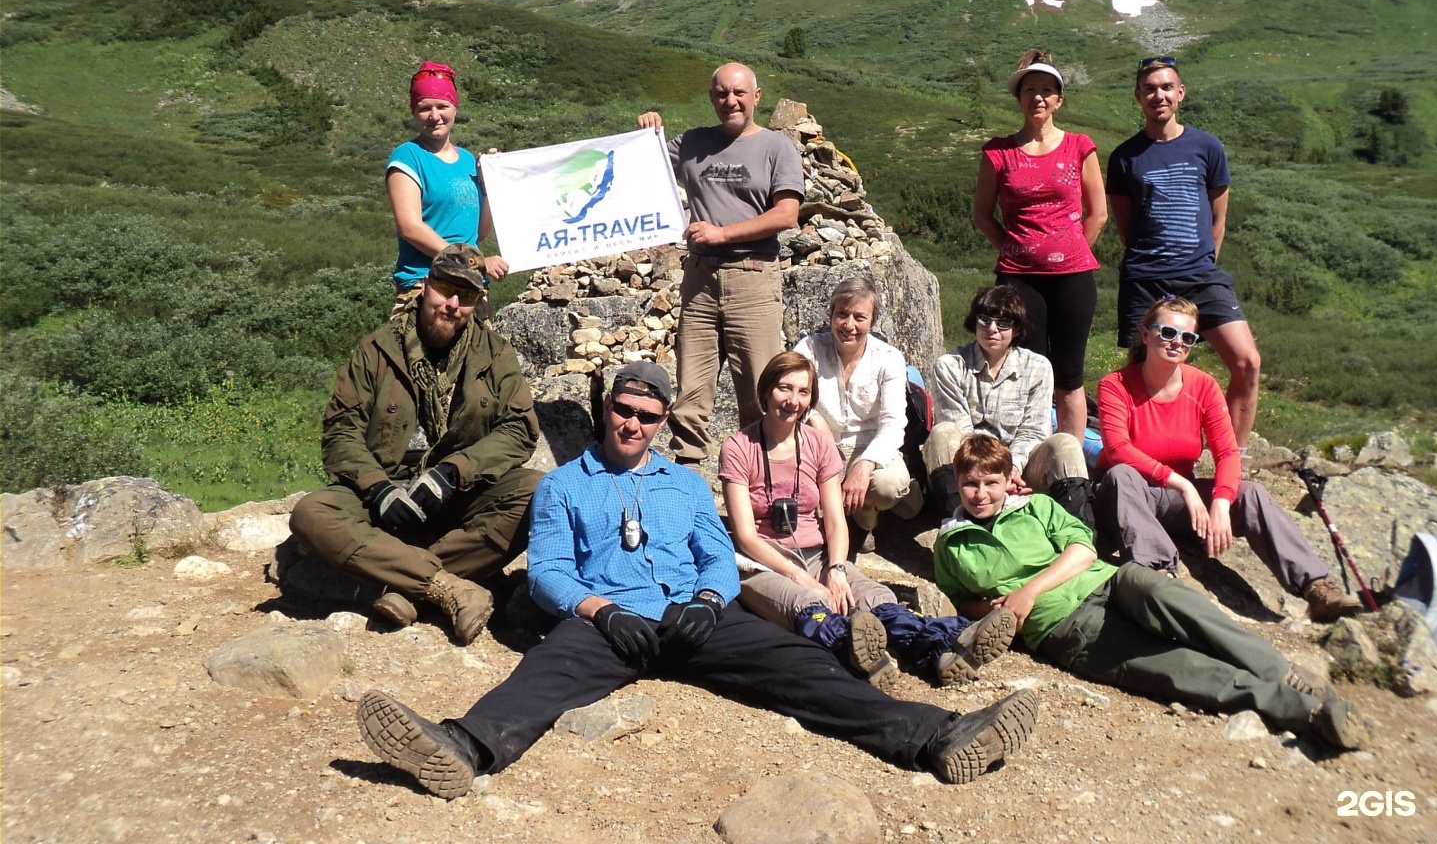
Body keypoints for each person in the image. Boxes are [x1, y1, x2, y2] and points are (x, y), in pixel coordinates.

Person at [356, 362, 1040, 799]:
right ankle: (462, 747)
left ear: (660, 424)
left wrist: (712, 600)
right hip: (607, 625)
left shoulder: (683, 484)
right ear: (607, 410)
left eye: (647, 416)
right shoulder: (564, 485)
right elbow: (549, 572)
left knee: (806, 667)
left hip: (694, 618)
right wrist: (598, 610)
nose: (632, 423)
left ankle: (940, 736)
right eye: (623, 410)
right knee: (543, 673)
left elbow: (718, 555)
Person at [934, 434, 1367, 751]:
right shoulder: (950, 543)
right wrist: (993, 609)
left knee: (1178, 602)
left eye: (991, 482)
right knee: (1178, 669)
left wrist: (1026, 592)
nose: (980, 494)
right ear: (957, 482)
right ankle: (1305, 712)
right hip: (1065, 628)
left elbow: (1083, 549)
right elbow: (959, 600)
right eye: (970, 484)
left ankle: (1281, 670)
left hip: (1108, 580)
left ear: (1009, 479)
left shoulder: (1038, 506)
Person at [289, 244, 542, 644]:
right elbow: (341, 430)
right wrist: (377, 487)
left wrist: (454, 472)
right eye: (445, 289)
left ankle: (403, 585)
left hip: (455, 498)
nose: (453, 304)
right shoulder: (376, 350)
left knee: (537, 491)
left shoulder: (494, 354)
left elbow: (519, 429)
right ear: (425, 286)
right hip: (383, 501)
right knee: (311, 513)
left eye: (467, 296)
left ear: (476, 302)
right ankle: (449, 586)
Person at [720, 351, 1016, 687]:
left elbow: (834, 519)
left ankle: (939, 648)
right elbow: (745, 535)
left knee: (875, 597)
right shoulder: (739, 447)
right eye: (784, 389)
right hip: (761, 563)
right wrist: (799, 577)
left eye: (803, 392)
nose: (793, 401)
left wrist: (838, 569)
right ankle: (856, 653)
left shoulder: (818, 443)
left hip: (816, 553)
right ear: (766, 391)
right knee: (811, 602)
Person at [1092, 297, 1360, 623]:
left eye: (1187, 337)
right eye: (1167, 332)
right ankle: (1161, 578)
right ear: (1146, 334)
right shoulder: (1115, 385)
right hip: (1125, 497)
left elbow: (1228, 452)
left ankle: (1316, 589)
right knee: (1121, 473)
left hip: (1174, 501)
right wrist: (1184, 487)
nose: (1177, 342)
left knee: (1251, 494)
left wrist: (1221, 501)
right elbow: (1119, 448)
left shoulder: (1202, 385)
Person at [636, 62, 804, 464]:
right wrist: (645, 134)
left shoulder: (778, 148)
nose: (731, 101)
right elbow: (639, 168)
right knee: (691, 392)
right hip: (700, 280)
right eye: (722, 94)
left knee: (762, 392)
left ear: (756, 97)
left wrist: (721, 233)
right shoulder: (692, 142)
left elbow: (786, 214)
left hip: (754, 279)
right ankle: (689, 481)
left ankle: (764, 483)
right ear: (712, 98)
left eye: (739, 93)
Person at [1106, 56, 1261, 445]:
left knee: (1246, 362)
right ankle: (1147, 454)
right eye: (1149, 89)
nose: (1158, 95)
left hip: (1201, 275)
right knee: (1143, 370)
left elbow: (1218, 217)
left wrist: (1205, 259)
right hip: (1145, 276)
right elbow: (1125, 225)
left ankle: (1232, 457)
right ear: (1138, 97)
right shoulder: (1124, 157)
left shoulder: (1207, 147)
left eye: (1165, 87)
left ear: (1180, 93)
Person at [973, 50, 1106, 439]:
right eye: (1030, 90)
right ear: (1019, 98)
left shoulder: (1080, 146)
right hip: (1019, 281)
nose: (1038, 98)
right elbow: (983, 215)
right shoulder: (998, 152)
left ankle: (1070, 465)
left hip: (1073, 279)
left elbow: (1097, 213)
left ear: (1059, 100)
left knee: (1070, 374)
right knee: (1027, 370)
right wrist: (1013, 250)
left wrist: (1074, 252)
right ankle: (1030, 457)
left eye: (1047, 90)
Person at [923, 286, 1091, 523]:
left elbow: (1034, 431)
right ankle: (960, 525)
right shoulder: (949, 365)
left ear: (1017, 328)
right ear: (974, 321)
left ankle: (1078, 534)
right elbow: (960, 434)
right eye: (985, 319)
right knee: (943, 433)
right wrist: (994, 478)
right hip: (969, 473)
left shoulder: (1038, 367)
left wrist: (1011, 470)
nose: (992, 329)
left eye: (1003, 323)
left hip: (1019, 468)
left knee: (1066, 444)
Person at [794, 276, 924, 552]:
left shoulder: (888, 358)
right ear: (831, 314)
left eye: (859, 317)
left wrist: (864, 466)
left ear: (872, 321)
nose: (849, 325)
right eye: (842, 314)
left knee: (888, 486)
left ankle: (864, 522)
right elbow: (789, 395)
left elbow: (893, 423)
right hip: (818, 443)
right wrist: (813, 419)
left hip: (869, 443)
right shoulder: (809, 349)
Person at [386, 61, 508, 314]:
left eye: (442, 106)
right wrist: (475, 262)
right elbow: (410, 227)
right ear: (413, 111)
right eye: (424, 108)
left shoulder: (467, 160)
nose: (434, 116)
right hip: (425, 285)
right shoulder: (407, 157)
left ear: (455, 107)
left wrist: (488, 186)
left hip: (472, 288)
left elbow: (479, 234)